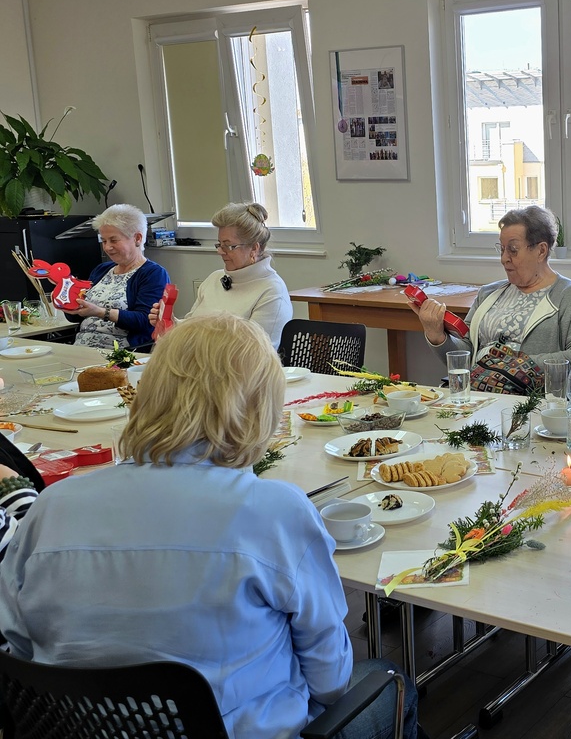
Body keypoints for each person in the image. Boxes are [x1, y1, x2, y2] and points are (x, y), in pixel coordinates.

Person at [0, 314, 418, 739]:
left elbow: (18, 648)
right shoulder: (272, 512)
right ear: (258, 408)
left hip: (80, 731)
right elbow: (331, 683)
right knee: (387, 677)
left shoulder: (51, 507)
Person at [410, 206, 571, 380]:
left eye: (513, 250)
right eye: (501, 249)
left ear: (541, 251)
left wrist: (513, 367)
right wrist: (437, 336)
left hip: (534, 398)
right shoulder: (488, 294)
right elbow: (465, 355)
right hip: (479, 396)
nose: (504, 259)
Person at [149, 202, 292, 347]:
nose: (220, 251)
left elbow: (255, 352)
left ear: (254, 248)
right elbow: (192, 326)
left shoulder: (272, 291)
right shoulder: (214, 279)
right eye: (219, 244)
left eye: (229, 246)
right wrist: (172, 325)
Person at [67, 203, 169, 349]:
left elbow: (145, 321)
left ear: (137, 238)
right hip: (81, 347)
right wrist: (67, 301)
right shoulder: (101, 270)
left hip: (121, 353)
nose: (107, 247)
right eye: (104, 241)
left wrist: (101, 312)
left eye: (114, 240)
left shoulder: (153, 273)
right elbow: (76, 317)